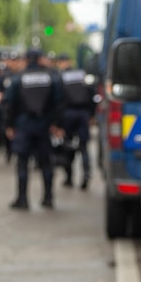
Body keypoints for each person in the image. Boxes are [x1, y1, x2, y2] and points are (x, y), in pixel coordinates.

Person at [4, 49, 64, 210]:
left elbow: (9, 104)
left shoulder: (18, 78)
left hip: (23, 126)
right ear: (39, 59)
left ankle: (22, 199)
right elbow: (59, 103)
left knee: (22, 163)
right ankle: (48, 198)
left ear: (26, 60)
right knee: (46, 163)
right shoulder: (52, 77)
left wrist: (9, 125)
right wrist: (56, 124)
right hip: (44, 126)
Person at [55, 52, 96, 190]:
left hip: (68, 115)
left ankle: (69, 177)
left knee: (68, 146)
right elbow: (92, 94)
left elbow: (58, 101)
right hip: (83, 114)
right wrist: (92, 115)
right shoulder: (82, 75)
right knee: (84, 146)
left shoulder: (60, 77)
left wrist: (57, 123)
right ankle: (86, 174)